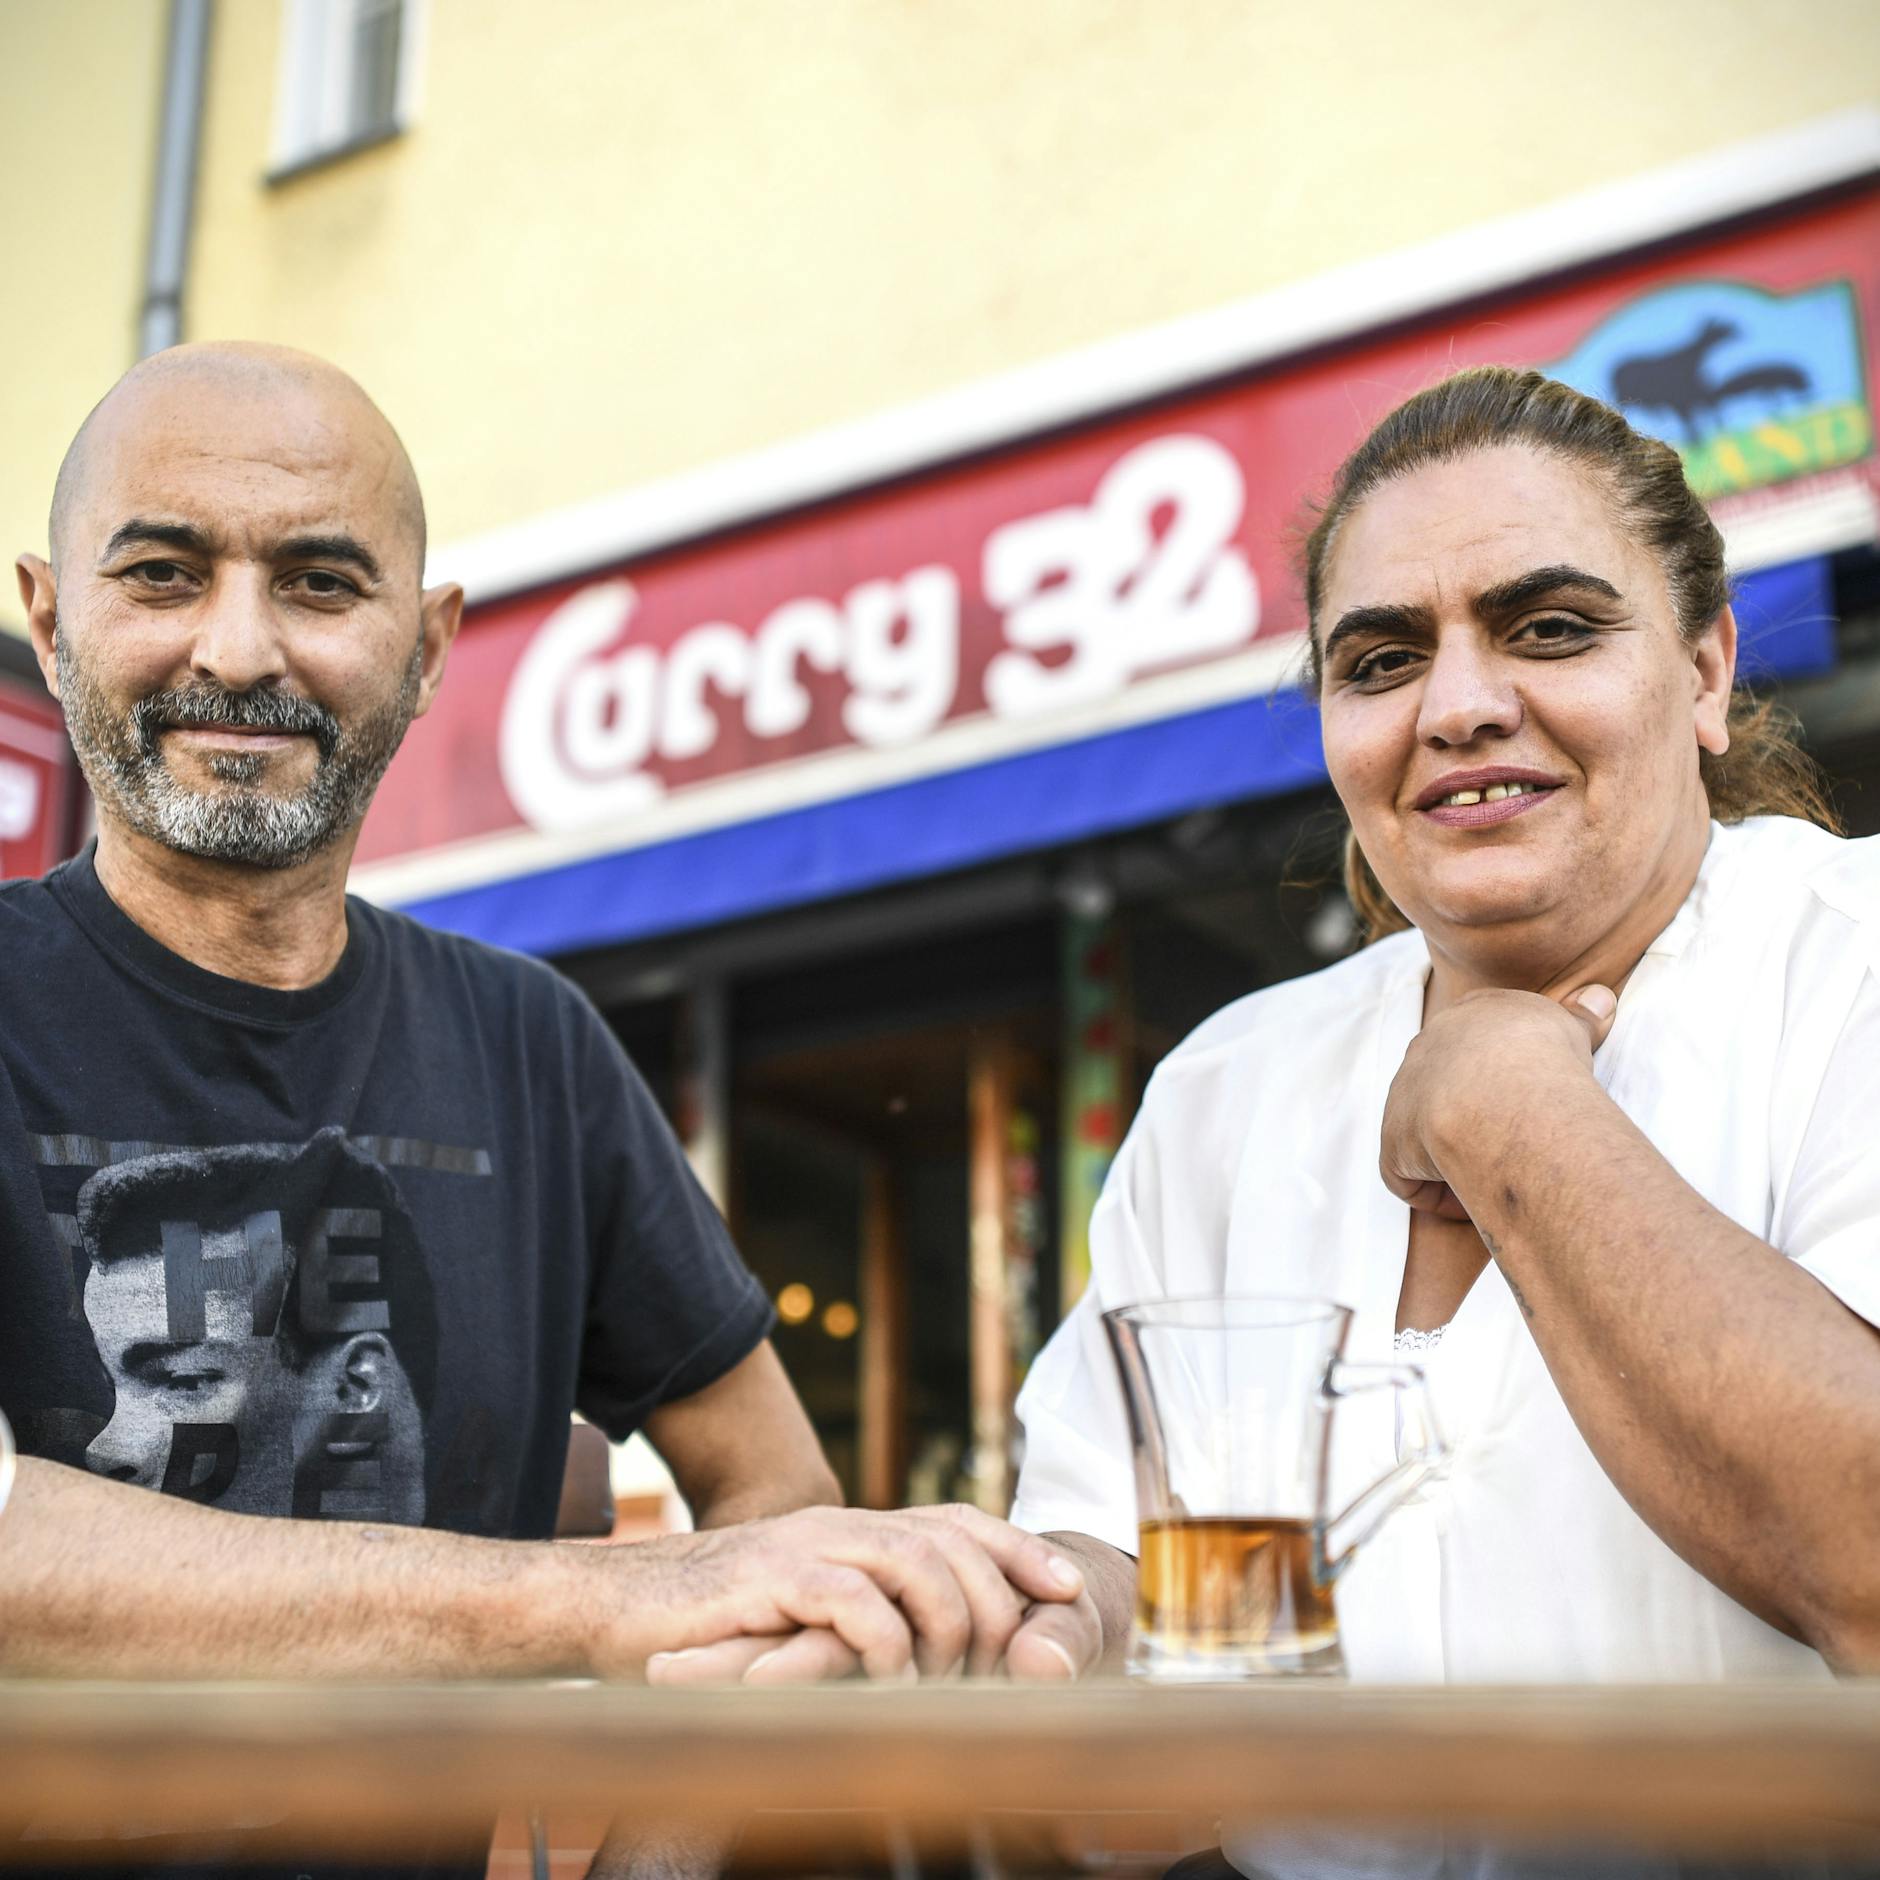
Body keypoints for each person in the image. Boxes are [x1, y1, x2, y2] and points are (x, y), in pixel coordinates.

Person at [0, 341, 1085, 1872]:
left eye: (320, 584)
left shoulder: (532, 1043)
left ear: (429, 647)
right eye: (164, 575)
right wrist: (591, 1602)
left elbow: (775, 1492)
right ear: (53, 619)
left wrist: (662, 1840)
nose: (239, 651)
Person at [1002, 365, 1880, 1718]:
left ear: (1705, 673)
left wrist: (1516, 1110)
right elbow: (1128, 1561)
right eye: (1382, 660)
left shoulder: (1850, 959)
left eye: (1548, 628)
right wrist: (1016, 1628)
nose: (1456, 706)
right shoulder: (1226, 1090)